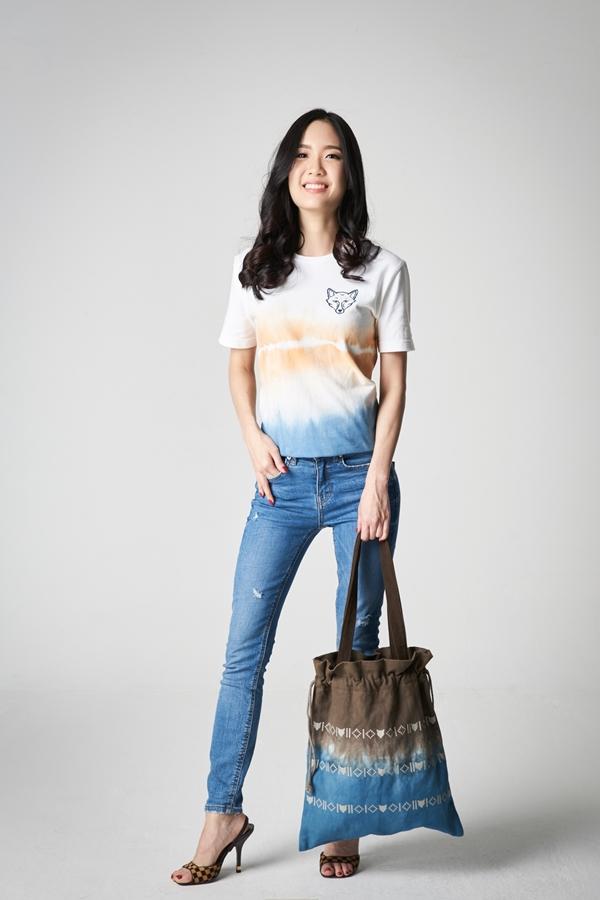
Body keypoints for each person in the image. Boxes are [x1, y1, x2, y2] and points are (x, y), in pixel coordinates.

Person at [171, 108, 415, 885]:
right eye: (304, 155)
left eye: (332, 156)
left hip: (357, 481)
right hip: (280, 486)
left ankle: (342, 817)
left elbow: (395, 385)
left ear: (349, 175)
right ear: (286, 171)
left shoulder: (382, 270)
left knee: (355, 652)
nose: (316, 167)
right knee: (243, 651)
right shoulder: (255, 269)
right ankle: (222, 813)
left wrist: (376, 481)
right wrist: (252, 438)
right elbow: (239, 365)